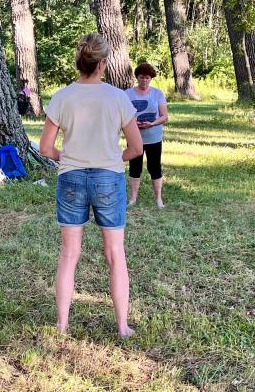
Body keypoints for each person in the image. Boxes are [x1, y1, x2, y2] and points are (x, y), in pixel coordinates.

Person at [39, 33, 143, 337]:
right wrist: (112, 157)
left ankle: (61, 325)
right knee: (115, 253)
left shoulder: (62, 96)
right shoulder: (118, 97)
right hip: (108, 176)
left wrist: (68, 157)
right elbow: (136, 148)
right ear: (102, 64)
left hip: (71, 176)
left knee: (69, 253)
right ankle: (122, 326)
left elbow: (45, 148)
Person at [125, 62, 169, 208]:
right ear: (137, 77)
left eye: (147, 78)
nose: (144, 80)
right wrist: (133, 123)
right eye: (142, 77)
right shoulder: (128, 94)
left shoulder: (158, 93)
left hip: (154, 137)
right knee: (135, 167)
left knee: (154, 167)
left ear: (151, 78)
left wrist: (153, 123)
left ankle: (158, 199)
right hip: (135, 137)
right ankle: (133, 198)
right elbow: (123, 115)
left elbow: (164, 116)